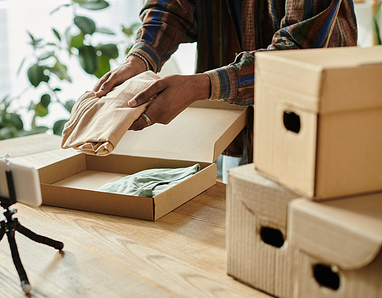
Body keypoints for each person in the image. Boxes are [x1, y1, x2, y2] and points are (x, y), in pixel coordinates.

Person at [92, 0, 358, 174]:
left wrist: (199, 87)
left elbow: (298, 54)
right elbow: (170, 6)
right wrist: (140, 58)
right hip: (228, 124)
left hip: (307, 125)